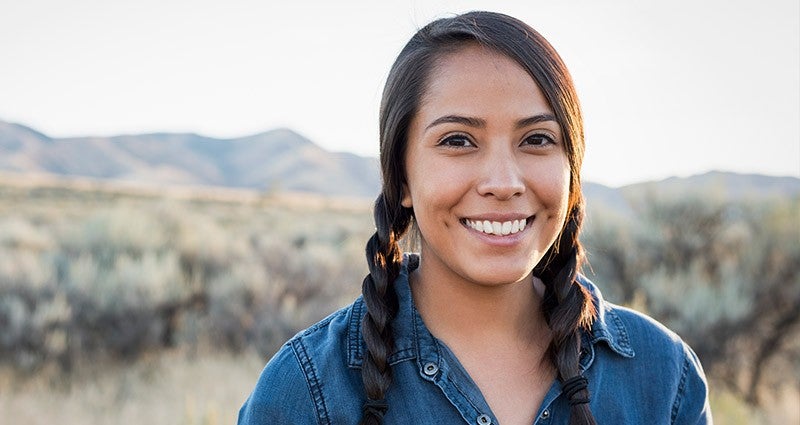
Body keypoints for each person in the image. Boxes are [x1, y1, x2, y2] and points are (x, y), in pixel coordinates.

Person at [238, 11, 711, 425]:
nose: (503, 182)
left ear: (572, 171)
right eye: (458, 141)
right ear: (401, 178)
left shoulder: (663, 376)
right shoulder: (308, 390)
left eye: (537, 140)